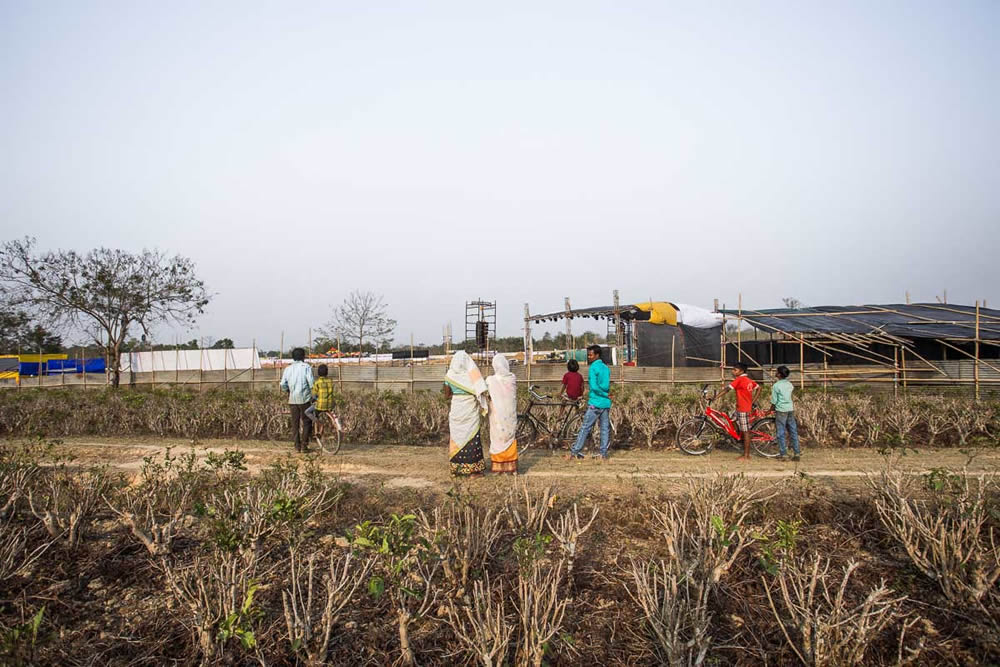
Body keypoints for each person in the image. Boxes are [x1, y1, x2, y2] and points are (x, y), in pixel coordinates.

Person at [443, 351, 489, 477]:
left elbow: (446, 395)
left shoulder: (449, 376)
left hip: (457, 409)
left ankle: (456, 469)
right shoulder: (471, 377)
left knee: (457, 437)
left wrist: (458, 394)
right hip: (469, 409)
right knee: (471, 436)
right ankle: (473, 471)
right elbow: (480, 390)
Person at [566, 345, 612, 461]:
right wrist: (606, 395)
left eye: (591, 355)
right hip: (605, 404)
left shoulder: (593, 368)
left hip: (595, 403)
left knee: (585, 428)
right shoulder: (606, 368)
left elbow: (594, 387)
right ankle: (603, 454)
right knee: (605, 429)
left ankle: (574, 452)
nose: (589, 357)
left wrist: (603, 394)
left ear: (597, 355)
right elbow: (606, 386)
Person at [712, 362, 760, 461]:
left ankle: (746, 455)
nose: (733, 371)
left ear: (741, 371)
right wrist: (752, 401)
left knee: (746, 432)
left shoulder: (739, 380)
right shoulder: (749, 380)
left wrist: (715, 398)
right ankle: (739, 437)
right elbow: (759, 388)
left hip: (744, 409)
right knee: (732, 420)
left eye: (735, 370)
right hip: (740, 408)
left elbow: (727, 389)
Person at [486, 353, 518, 475]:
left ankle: (498, 467)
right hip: (510, 415)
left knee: (498, 438)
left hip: (497, 415)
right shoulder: (512, 378)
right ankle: (510, 467)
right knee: (509, 436)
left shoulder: (490, 380)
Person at [279, 347, 314, 452]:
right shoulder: (306, 367)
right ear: (303, 357)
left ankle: (296, 446)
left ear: (293, 357)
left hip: (292, 400)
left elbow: (282, 384)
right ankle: (304, 445)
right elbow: (311, 383)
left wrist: (288, 391)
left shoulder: (288, 369)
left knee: (295, 423)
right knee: (307, 421)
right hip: (305, 399)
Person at [771, 365, 801, 461]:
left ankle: (783, 453)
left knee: (781, 432)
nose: (775, 373)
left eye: (776, 372)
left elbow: (774, 400)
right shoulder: (789, 384)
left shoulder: (776, 385)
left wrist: (770, 410)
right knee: (793, 430)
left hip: (781, 410)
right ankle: (797, 453)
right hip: (790, 409)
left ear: (779, 374)